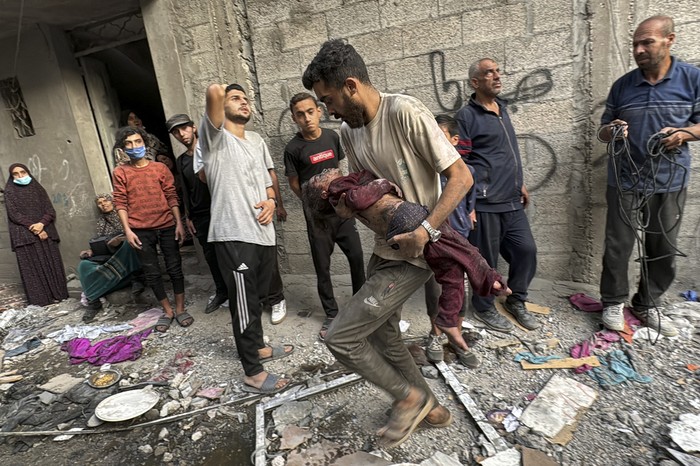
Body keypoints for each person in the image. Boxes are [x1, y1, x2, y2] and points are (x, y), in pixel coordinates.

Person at [302, 39, 473, 447]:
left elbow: (461, 177)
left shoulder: (404, 112)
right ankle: (430, 407)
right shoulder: (348, 132)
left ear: (350, 85)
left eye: (328, 100)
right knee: (380, 332)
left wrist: (426, 230)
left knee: (341, 337)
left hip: (420, 247)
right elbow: (369, 190)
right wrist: (344, 207)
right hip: (388, 246)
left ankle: (409, 397)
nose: (328, 111)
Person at [304, 168, 509, 369]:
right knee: (463, 250)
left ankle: (447, 318)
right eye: (321, 176)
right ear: (324, 191)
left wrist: (372, 181)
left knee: (451, 272)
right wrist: (383, 184)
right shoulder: (336, 189)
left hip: (402, 221)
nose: (326, 170)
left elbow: (363, 184)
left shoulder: (344, 186)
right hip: (406, 218)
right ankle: (491, 279)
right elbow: (359, 198)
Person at [597, 15, 700, 337]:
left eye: (647, 43)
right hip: (625, 179)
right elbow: (601, 130)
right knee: (618, 245)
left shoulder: (691, 79)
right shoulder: (623, 85)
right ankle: (613, 302)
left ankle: (647, 303)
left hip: (669, 181)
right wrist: (612, 131)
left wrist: (684, 133)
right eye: (635, 45)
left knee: (662, 247)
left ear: (669, 40)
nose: (639, 50)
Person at [199, 82, 293, 394]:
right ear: (223, 106)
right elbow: (213, 93)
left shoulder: (256, 140)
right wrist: (221, 89)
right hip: (233, 233)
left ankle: (259, 349)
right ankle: (252, 372)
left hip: (262, 234)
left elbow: (267, 183)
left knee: (258, 298)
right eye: (236, 98)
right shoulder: (213, 139)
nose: (244, 103)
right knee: (243, 303)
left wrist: (271, 202)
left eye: (246, 99)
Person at [454, 58, 540, 333]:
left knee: (526, 251)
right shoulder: (466, 117)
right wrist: (470, 203)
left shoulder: (502, 109)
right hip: (486, 203)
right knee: (486, 263)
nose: (496, 75)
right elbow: (460, 163)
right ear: (475, 82)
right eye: (488, 72)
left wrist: (521, 183)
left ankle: (517, 300)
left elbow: (509, 153)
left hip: (512, 200)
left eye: (498, 70)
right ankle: (484, 308)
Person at [283, 92, 366, 339]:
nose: (307, 118)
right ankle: (331, 314)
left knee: (357, 258)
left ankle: (359, 308)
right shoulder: (293, 148)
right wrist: (312, 204)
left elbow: (340, 170)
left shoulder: (331, 137)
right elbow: (294, 183)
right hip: (318, 220)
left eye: (310, 112)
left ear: (319, 111)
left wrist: (340, 199)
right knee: (323, 268)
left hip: (341, 213)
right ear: (294, 118)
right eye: (300, 114)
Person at [112, 125, 193, 332]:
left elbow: (171, 196)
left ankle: (181, 308)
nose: (134, 146)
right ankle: (167, 311)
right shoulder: (121, 172)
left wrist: (179, 224)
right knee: (152, 272)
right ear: (123, 148)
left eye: (138, 142)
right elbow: (120, 202)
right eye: (129, 143)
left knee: (174, 268)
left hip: (166, 226)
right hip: (140, 230)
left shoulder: (160, 168)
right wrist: (128, 230)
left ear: (145, 143)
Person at [424, 114, 478, 363]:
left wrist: (469, 213)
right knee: (437, 291)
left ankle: (456, 334)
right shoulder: (427, 172)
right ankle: (435, 334)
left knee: (460, 294)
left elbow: (469, 200)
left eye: (440, 135)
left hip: (460, 242)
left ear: (454, 140)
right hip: (435, 243)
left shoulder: (465, 172)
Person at [166, 113, 228, 314]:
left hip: (221, 209)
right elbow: (184, 191)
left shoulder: (210, 150)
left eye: (184, 128)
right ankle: (222, 292)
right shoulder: (182, 160)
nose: (181, 134)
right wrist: (188, 217)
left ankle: (241, 292)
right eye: (176, 132)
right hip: (201, 216)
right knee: (211, 256)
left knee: (230, 252)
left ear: (193, 127)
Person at [3, 163, 69, 306]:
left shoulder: (37, 189)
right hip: (25, 236)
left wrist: (41, 224)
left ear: (28, 172)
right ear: (11, 176)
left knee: (52, 263)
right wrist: (35, 228)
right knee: (32, 269)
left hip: (45, 231)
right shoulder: (10, 192)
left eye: (23, 172)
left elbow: (50, 210)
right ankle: (42, 301)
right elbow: (15, 215)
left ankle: (59, 295)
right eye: (16, 174)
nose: (20, 176)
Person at [77, 193, 145, 322]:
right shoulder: (101, 222)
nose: (103, 204)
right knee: (83, 265)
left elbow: (137, 233)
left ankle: (137, 278)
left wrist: (119, 240)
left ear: (113, 201)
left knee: (128, 244)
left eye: (106, 201)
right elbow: (100, 241)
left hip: (125, 252)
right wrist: (90, 250)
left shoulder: (124, 215)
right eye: (100, 203)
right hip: (109, 255)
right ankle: (93, 301)